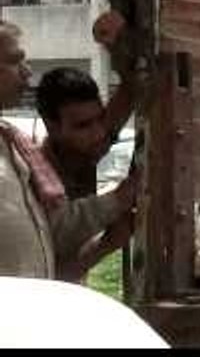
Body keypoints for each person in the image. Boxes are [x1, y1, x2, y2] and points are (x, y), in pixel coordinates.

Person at [0, 20, 138, 280]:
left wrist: (117, 46)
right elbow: (55, 268)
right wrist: (108, 239)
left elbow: (132, 89)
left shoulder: (85, 146)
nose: (98, 133)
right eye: (82, 125)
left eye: (99, 120)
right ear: (51, 125)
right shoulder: (35, 170)